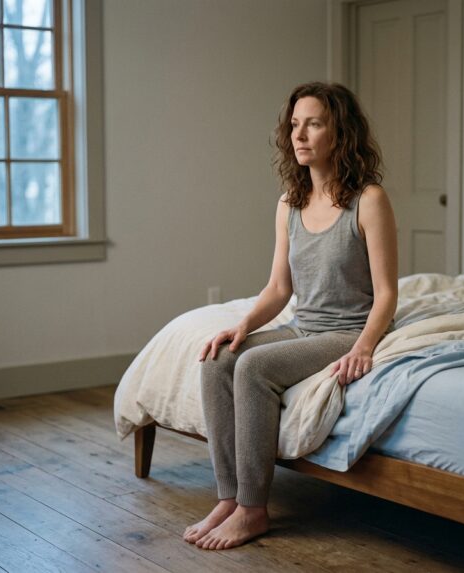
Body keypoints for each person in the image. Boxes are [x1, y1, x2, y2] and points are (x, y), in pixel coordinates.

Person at [183, 82, 398, 550]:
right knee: (220, 358)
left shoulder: (369, 199)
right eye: (295, 125)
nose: (299, 135)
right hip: (304, 326)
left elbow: (386, 295)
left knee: (254, 367)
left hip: (347, 331)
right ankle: (230, 495)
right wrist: (242, 326)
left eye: (314, 124)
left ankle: (253, 509)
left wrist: (364, 347)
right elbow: (280, 288)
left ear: (340, 133)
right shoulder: (289, 202)